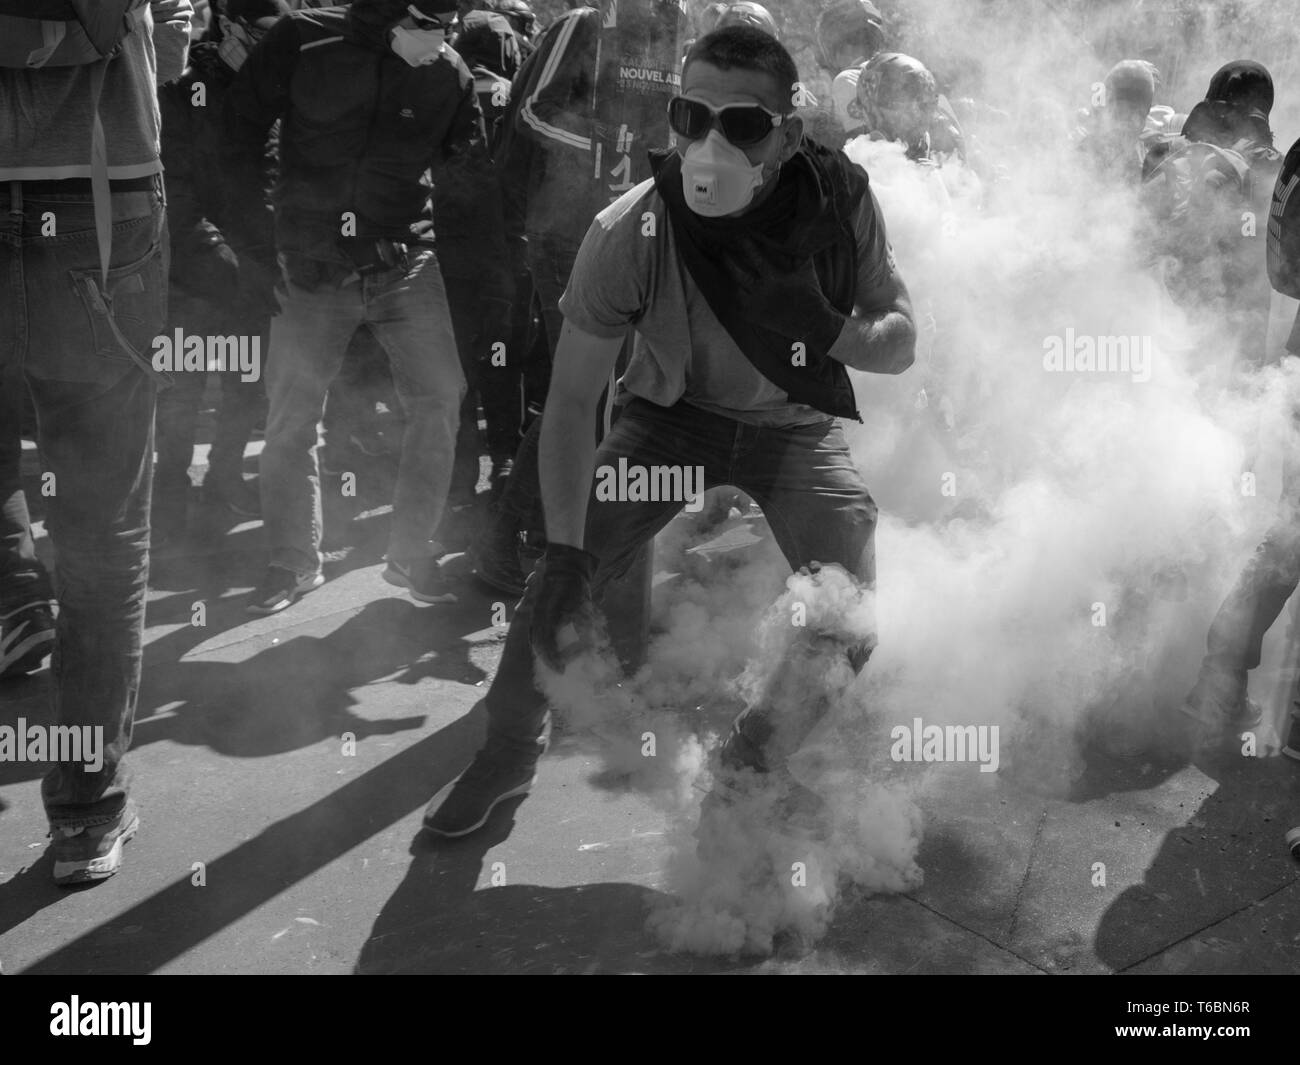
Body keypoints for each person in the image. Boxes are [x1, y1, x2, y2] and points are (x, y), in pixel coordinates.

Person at [425, 24, 915, 839]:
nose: (710, 142)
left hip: (794, 430)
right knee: (558, 585)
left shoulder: (841, 200)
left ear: (788, 135)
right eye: (691, 117)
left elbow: (900, 342)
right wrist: (570, 552)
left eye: (743, 125)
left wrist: (830, 331)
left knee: (851, 617)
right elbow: (576, 398)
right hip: (671, 423)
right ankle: (507, 752)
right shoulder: (629, 231)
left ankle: (750, 759)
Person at [221, 0, 509, 614]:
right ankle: (291, 563)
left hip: (406, 263)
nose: (444, 37)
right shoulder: (303, 40)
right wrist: (255, 243)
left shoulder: (449, 73)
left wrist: (488, 282)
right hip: (309, 268)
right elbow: (234, 134)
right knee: (292, 415)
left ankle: (411, 553)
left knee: (440, 396)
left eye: (451, 24)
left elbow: (469, 178)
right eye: (431, 23)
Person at [0, 0, 193, 883]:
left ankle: (12, 599)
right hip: (96, 204)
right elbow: (133, 43)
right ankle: (83, 811)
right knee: (103, 532)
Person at [152, 0, 286, 545]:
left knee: (245, 392)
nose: (270, 48)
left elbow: (272, 177)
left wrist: (271, 257)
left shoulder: (267, 90)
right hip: (190, 276)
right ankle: (167, 502)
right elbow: (173, 189)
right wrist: (227, 264)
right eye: (261, 35)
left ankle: (225, 484)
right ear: (230, 28)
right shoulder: (180, 85)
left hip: (249, 277)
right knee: (180, 395)